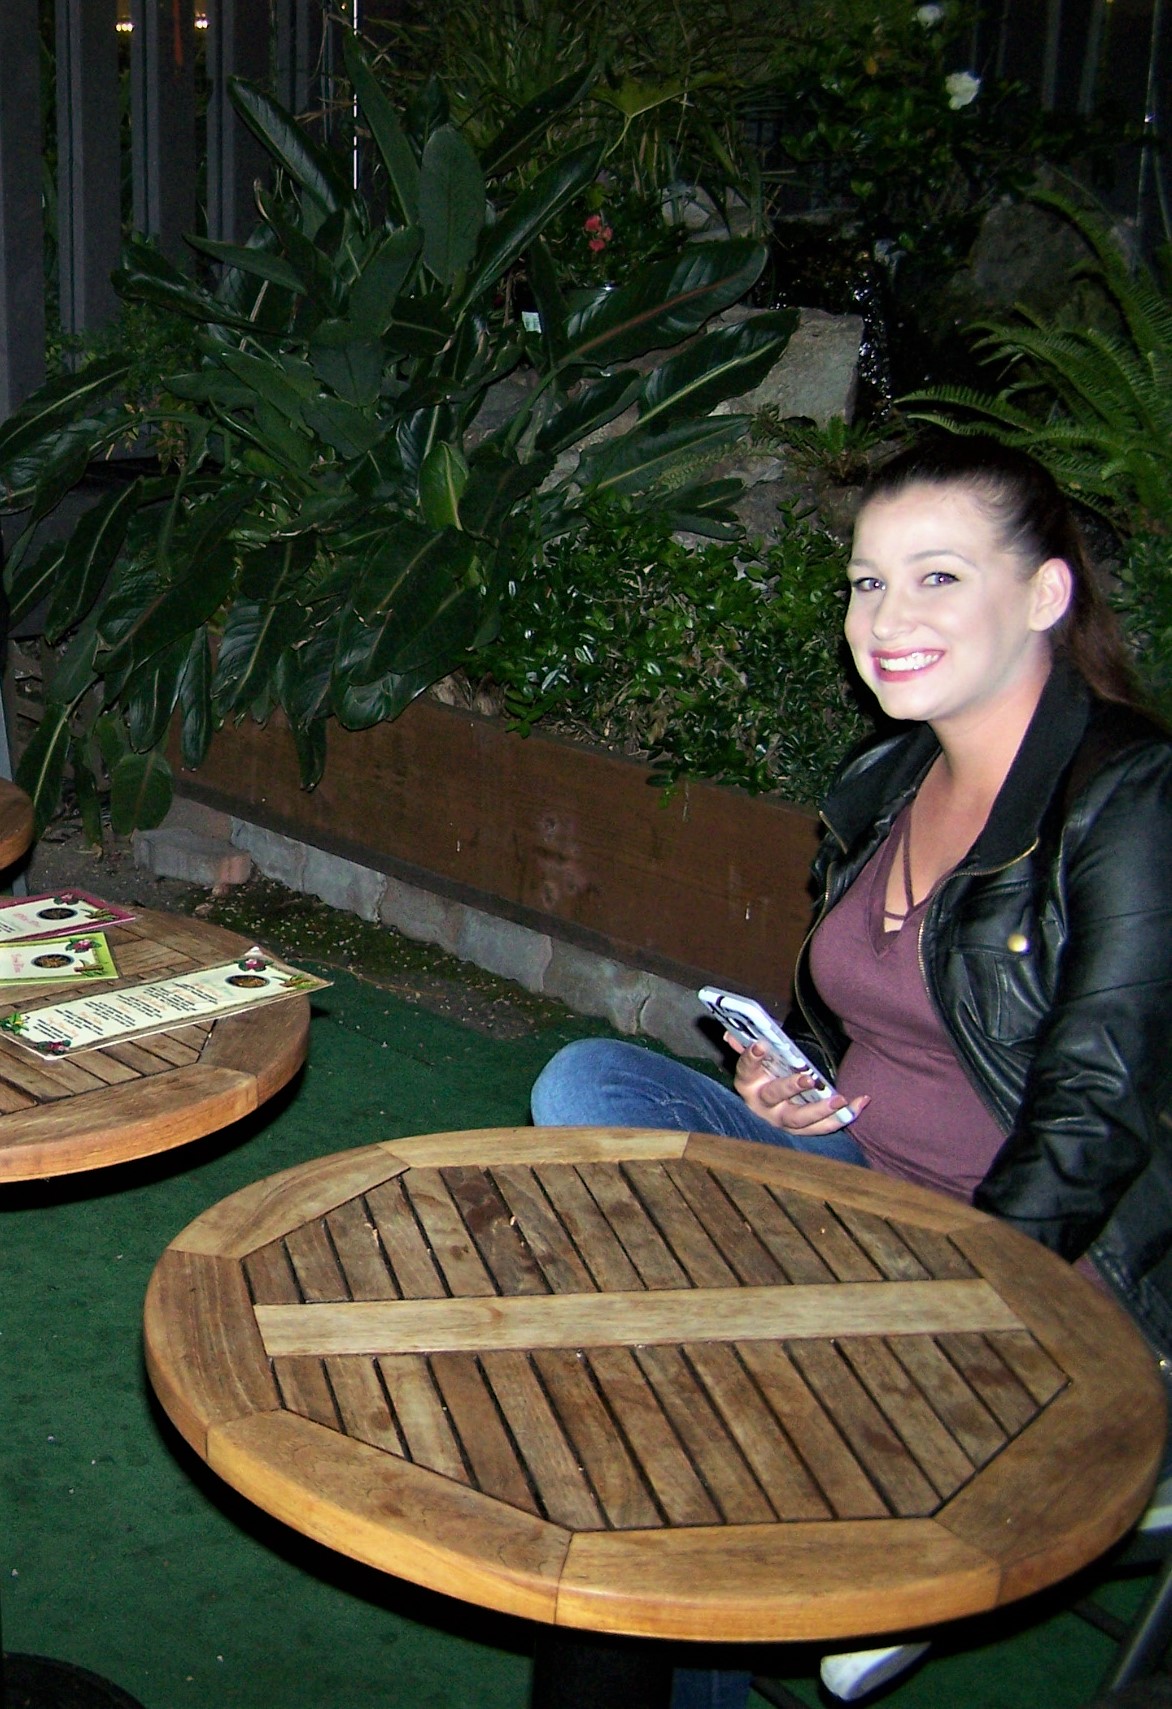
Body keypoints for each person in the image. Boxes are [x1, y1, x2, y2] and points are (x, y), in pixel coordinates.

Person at [530, 435, 1172, 1705]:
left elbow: (1094, 1114)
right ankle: (780, 1406)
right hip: (861, 1178)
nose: (883, 619)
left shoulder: (1130, 796)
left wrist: (939, 1306)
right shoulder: (887, 775)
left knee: (658, 1439)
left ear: (1043, 594)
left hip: (1037, 1261)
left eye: (936, 577)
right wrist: (789, 1076)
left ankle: (847, 1458)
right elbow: (857, 1012)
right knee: (589, 1083)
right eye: (866, 582)